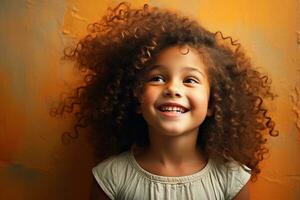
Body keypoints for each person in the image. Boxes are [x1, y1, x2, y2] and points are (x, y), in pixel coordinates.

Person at [53, 2, 278, 199]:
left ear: (212, 104)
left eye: (190, 80)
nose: (172, 88)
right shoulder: (111, 178)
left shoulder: (231, 178)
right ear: (136, 97)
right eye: (158, 78)